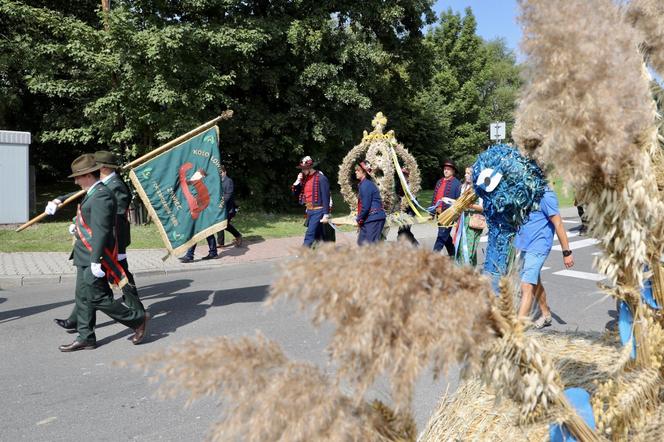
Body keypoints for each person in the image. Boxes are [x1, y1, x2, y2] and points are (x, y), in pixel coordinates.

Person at [58, 154, 148, 351]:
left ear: (88, 175)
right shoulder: (93, 191)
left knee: (98, 297)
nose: (75, 181)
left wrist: (96, 260)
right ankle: (86, 337)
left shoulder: (102, 195)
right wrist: (76, 227)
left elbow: (101, 230)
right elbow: (89, 220)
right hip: (83, 253)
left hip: (93, 254)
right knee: (82, 297)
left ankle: (137, 319)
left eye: (78, 177)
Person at [516, 187, 575, 328]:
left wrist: (566, 252)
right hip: (525, 245)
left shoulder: (546, 195)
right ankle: (546, 314)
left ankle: (517, 328)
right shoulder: (525, 191)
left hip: (539, 245)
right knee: (534, 281)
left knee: (526, 285)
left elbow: (558, 223)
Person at [291, 156, 331, 247]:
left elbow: (326, 197)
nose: (302, 171)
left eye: (304, 169)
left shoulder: (321, 178)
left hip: (319, 211)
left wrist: (326, 214)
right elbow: (295, 193)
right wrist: (297, 180)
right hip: (309, 210)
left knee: (310, 233)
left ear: (310, 167)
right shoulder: (304, 179)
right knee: (319, 235)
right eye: (302, 169)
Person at [454, 167, 484, 266]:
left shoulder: (479, 189)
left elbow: (482, 208)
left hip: (473, 222)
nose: (466, 175)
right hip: (463, 220)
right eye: (465, 173)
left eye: (468, 173)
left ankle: (466, 271)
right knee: (461, 247)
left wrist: (469, 205)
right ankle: (468, 271)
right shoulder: (463, 187)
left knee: (469, 249)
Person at [431, 160, 461, 254]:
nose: (446, 171)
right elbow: (434, 197)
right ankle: (453, 254)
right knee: (445, 236)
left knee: (441, 235)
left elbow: (458, 201)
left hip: (449, 215)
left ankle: (432, 258)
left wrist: (455, 215)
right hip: (439, 213)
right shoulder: (439, 182)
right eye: (445, 169)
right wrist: (431, 211)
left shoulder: (457, 184)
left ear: (453, 171)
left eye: (448, 169)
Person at [355, 161, 386, 244]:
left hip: (374, 218)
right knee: (361, 243)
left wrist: (358, 219)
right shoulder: (364, 184)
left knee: (370, 247)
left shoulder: (366, 185)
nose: (355, 172)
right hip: (369, 218)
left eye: (357, 170)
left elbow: (365, 206)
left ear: (364, 172)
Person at [216, 165, 243, 248]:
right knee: (219, 224)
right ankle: (221, 243)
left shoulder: (229, 181)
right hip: (220, 208)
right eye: (218, 173)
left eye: (221, 172)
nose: (220, 174)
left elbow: (228, 195)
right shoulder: (218, 182)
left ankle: (238, 236)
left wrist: (221, 204)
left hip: (228, 208)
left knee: (225, 224)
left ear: (225, 172)